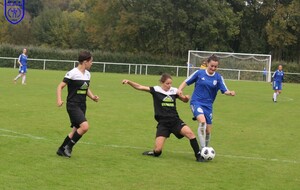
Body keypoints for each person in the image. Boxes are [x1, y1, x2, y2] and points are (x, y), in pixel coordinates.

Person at [122, 73, 203, 162]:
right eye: (167, 83)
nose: (169, 85)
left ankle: (198, 156)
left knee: (190, 134)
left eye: (170, 83)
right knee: (158, 151)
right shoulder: (156, 90)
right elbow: (139, 87)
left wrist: (186, 98)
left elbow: (184, 100)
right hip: (163, 123)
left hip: (175, 121)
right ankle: (154, 152)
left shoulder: (174, 91)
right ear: (162, 82)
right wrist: (129, 82)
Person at [178, 55, 235, 150]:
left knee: (208, 131)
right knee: (202, 122)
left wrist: (230, 92)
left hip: (208, 106)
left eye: (215, 66)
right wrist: (179, 90)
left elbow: (224, 90)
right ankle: (203, 149)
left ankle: (206, 148)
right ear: (207, 64)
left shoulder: (218, 77)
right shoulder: (199, 73)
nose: (213, 68)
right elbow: (186, 82)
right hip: (196, 102)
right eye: (211, 65)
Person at [56, 51, 99, 158]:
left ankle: (61, 149)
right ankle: (69, 147)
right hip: (72, 105)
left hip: (82, 105)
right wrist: (59, 100)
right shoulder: (72, 73)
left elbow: (85, 87)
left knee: (76, 130)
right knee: (84, 127)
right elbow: (60, 86)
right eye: (91, 61)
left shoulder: (88, 74)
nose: (92, 63)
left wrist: (93, 97)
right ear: (85, 62)